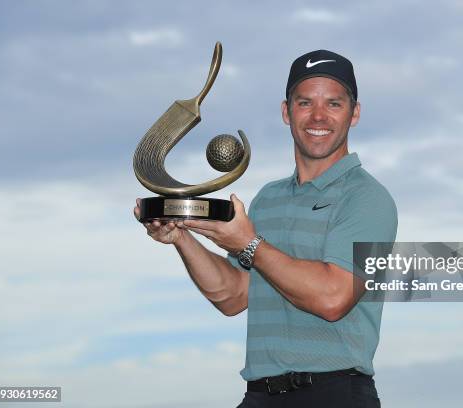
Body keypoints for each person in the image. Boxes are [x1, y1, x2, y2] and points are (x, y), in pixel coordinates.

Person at [134, 49, 397, 407]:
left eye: (333, 104)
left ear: (355, 113)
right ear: (286, 112)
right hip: (260, 395)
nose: (318, 116)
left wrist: (249, 243)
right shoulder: (268, 198)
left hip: (334, 394)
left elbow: (333, 298)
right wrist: (182, 237)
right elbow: (234, 295)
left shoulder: (368, 199)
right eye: (305, 103)